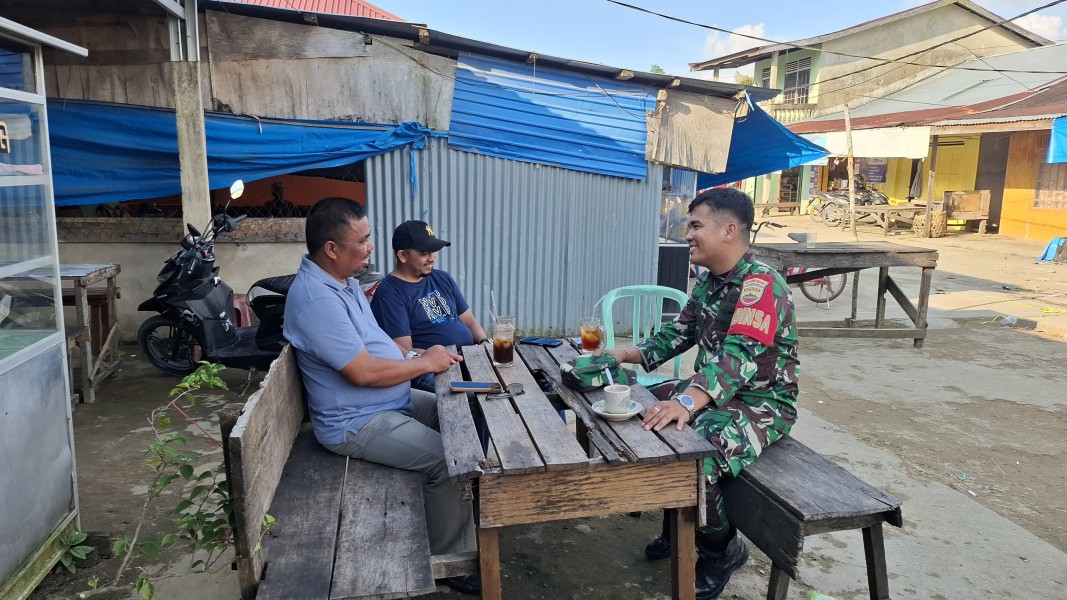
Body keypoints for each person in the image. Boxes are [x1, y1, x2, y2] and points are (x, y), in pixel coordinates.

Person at [597, 187, 800, 600]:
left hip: (760, 403)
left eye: (695, 225)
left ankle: (719, 550)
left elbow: (738, 360)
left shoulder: (761, 286)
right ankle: (679, 528)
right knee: (643, 410)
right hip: (715, 392)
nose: (686, 235)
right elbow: (677, 334)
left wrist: (686, 403)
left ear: (729, 230)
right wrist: (620, 354)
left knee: (695, 460)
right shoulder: (711, 282)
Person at [282, 198, 480, 595]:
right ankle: (451, 558)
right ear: (332, 249)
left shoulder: (343, 283)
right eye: (364, 240)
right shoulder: (317, 299)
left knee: (461, 412)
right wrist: (425, 364)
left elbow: (377, 348)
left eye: (369, 237)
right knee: (447, 457)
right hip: (355, 423)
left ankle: (458, 517)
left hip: (388, 402)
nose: (371, 246)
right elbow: (363, 372)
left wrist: (418, 355)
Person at [370, 220, 490, 392]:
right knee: (476, 399)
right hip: (431, 370)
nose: (432, 257)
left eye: (434, 251)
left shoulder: (442, 278)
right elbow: (405, 351)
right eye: (425, 253)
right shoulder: (389, 293)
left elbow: (469, 321)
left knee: (509, 379)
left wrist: (484, 341)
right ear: (402, 255)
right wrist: (443, 359)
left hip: (467, 357)